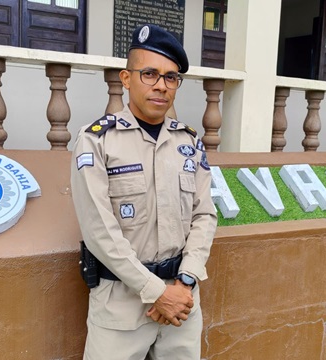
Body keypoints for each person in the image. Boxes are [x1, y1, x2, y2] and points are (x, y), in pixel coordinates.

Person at [70, 24, 218, 360]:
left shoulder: (189, 143)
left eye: (171, 77)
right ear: (126, 78)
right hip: (121, 307)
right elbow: (99, 231)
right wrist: (155, 291)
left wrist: (185, 281)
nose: (161, 85)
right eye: (149, 73)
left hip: (181, 304)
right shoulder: (96, 141)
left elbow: (205, 214)